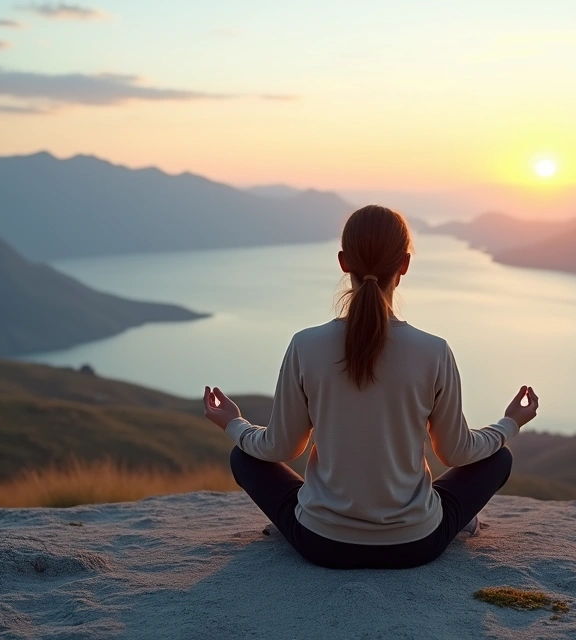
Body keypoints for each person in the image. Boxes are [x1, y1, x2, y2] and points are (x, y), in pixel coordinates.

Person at [202, 204, 539, 570]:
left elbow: (280, 447)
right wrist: (510, 423)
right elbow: (456, 453)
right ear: (405, 265)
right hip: (415, 545)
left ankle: (311, 515)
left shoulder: (305, 345)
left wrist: (233, 423)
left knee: (242, 456)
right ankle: (454, 521)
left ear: (344, 262)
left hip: (321, 544)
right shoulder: (434, 351)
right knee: (499, 457)